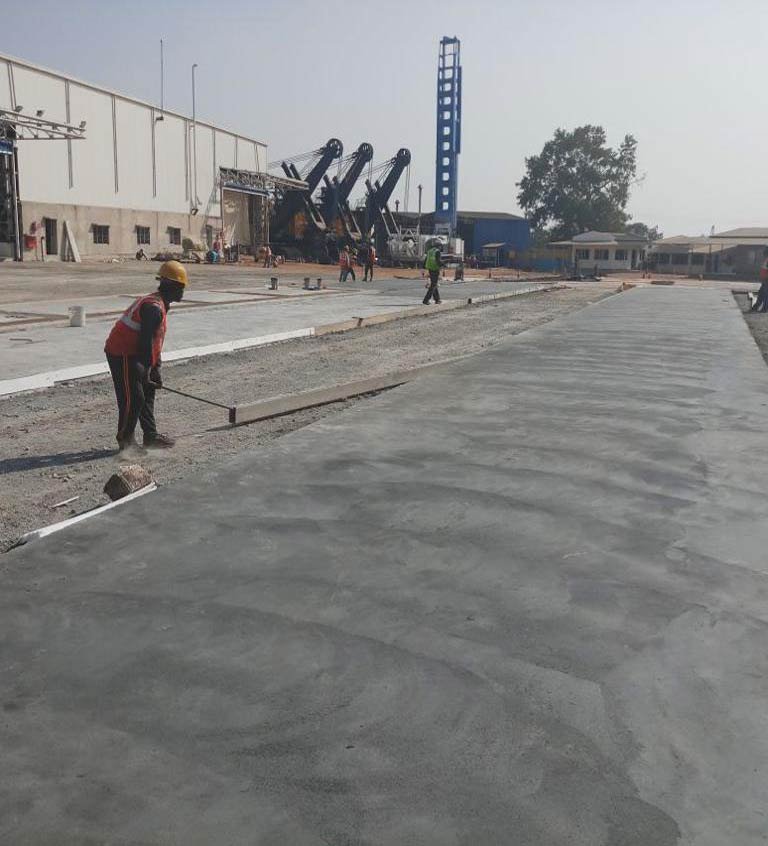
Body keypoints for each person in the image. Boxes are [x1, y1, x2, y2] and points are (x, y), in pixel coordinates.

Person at [104, 260, 188, 451]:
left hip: (136, 352)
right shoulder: (153, 309)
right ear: (172, 286)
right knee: (134, 398)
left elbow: (155, 342)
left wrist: (155, 370)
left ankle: (150, 436)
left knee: (148, 392)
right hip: (122, 353)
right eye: (182, 287)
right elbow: (144, 342)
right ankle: (125, 441)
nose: (183, 291)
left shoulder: (161, 304)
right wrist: (146, 370)